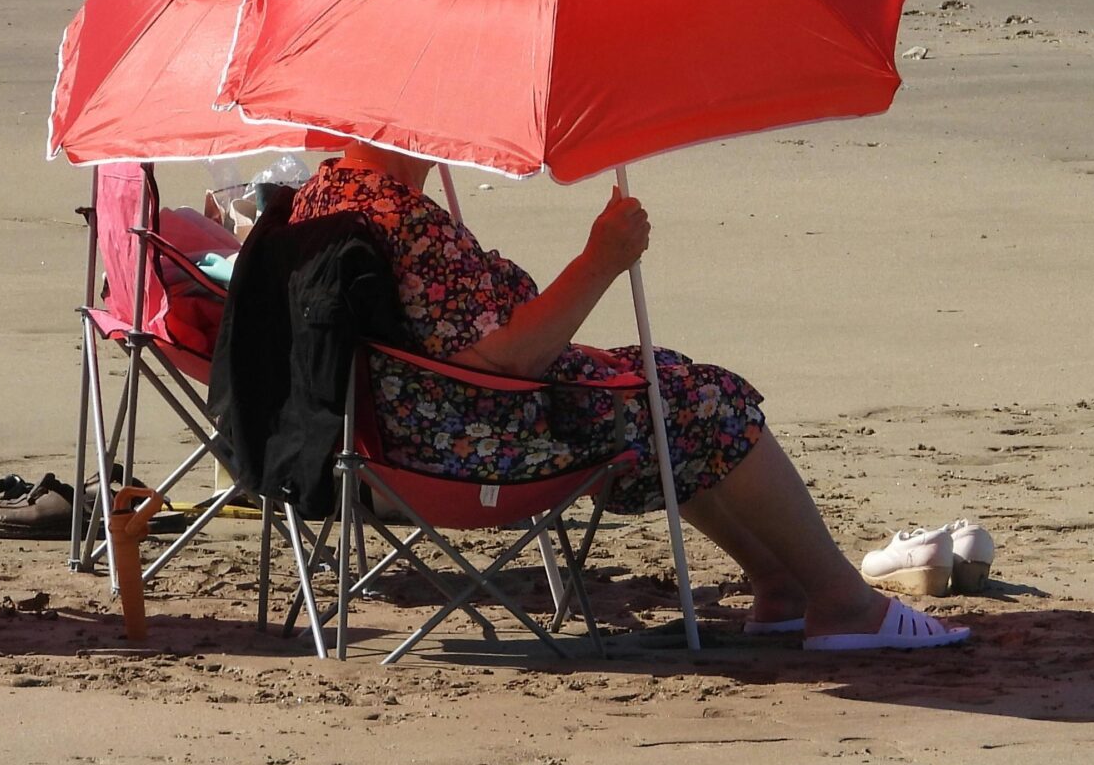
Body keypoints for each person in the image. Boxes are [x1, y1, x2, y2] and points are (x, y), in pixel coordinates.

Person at [287, 141, 968, 651]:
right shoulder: (402, 216)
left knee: (663, 382)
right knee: (707, 401)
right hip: (475, 449)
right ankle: (843, 603)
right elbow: (506, 357)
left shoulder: (328, 192)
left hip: (395, 432)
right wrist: (601, 260)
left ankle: (780, 584)